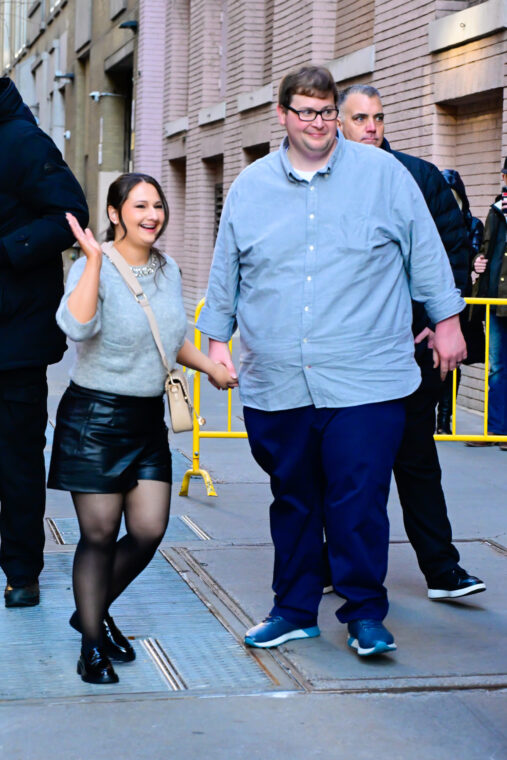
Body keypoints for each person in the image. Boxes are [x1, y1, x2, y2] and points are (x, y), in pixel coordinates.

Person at [197, 66, 467, 658]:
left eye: (324, 112)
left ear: (335, 116)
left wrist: (448, 323)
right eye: (304, 112)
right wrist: (217, 338)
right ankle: (293, 611)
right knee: (293, 498)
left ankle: (365, 613)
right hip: (278, 379)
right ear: (283, 115)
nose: (315, 124)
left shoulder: (383, 176)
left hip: (366, 375)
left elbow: (425, 250)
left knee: (358, 497)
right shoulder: (249, 185)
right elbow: (228, 267)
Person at [48, 173, 236, 684]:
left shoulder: (168, 268)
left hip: (147, 419)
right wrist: (91, 262)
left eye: (158, 205)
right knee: (101, 534)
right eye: (139, 206)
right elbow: (77, 327)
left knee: (149, 530)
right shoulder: (96, 266)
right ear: (115, 214)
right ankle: (91, 644)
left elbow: (169, 337)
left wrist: (211, 367)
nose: (152, 214)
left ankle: (90, 607)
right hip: (95, 419)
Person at [336, 84, 485, 601]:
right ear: (338, 122)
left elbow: (453, 253)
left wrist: (433, 320)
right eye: (359, 118)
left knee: (417, 462)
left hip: (410, 350)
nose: (371, 127)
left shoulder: (417, 177)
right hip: (346, 354)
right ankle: (345, 568)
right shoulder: (323, 184)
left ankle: (443, 571)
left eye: (377, 117)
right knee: (352, 468)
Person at [0, 76, 89, 608]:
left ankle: (21, 572)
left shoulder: (21, 140)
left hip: (16, 338)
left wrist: (7, 250)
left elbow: (69, 214)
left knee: (16, 460)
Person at [437, 169, 484, 434]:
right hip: (432, 300)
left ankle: (444, 420)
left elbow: (478, 254)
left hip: (461, 302)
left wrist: (477, 262)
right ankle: (434, 419)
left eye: (454, 197)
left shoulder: (472, 225)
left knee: (453, 362)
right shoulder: (429, 222)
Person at [468, 157, 507, 451]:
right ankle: (495, 429)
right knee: (495, 368)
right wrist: (477, 262)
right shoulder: (496, 211)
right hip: (494, 301)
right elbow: (485, 251)